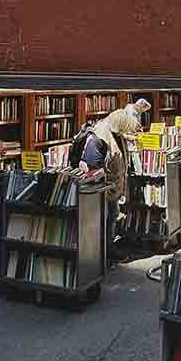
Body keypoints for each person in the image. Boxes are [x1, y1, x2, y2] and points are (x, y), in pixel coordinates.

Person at [79, 111, 139, 264]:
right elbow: (92, 169)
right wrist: (105, 185)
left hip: (110, 189)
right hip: (101, 191)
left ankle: (107, 249)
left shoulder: (113, 132)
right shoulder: (99, 137)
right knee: (103, 220)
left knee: (111, 216)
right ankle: (100, 254)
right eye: (126, 128)